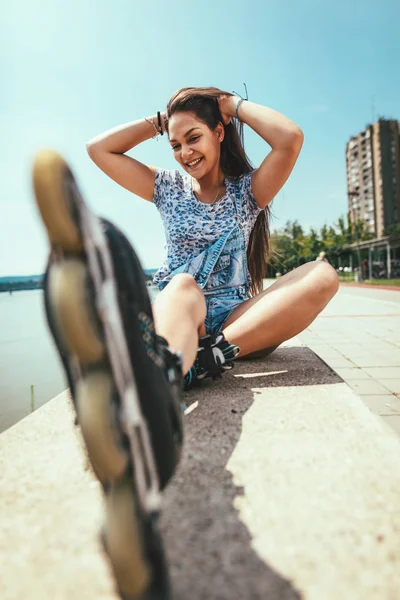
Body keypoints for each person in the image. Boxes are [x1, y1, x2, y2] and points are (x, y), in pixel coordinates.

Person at [32, 86, 339, 599]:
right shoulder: (167, 189)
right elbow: (98, 150)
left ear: (220, 134)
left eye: (194, 138)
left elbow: (290, 138)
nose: (184, 153)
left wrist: (231, 105)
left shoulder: (248, 193)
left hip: (238, 329)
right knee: (182, 285)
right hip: (180, 315)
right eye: (175, 145)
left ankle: (204, 361)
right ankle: (166, 374)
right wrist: (162, 120)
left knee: (323, 275)